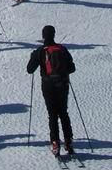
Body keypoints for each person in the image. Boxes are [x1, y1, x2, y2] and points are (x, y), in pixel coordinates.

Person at [27, 25, 76, 156]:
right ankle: (68, 141)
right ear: (54, 35)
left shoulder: (40, 51)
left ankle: (55, 142)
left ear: (43, 36)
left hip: (48, 86)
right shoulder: (62, 49)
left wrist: (33, 57)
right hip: (62, 85)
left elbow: (29, 69)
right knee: (63, 112)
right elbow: (72, 68)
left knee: (52, 114)